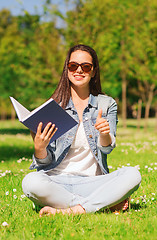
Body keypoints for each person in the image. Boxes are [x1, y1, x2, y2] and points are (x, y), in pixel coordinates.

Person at [22, 44, 141, 216]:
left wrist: (104, 133)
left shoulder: (106, 104)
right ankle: (101, 203)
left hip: (93, 182)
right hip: (56, 181)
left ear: (93, 72)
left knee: (133, 174)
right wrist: (39, 148)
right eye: (73, 65)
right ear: (67, 69)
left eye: (86, 66)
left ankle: (72, 210)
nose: (79, 70)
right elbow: (44, 163)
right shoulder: (53, 107)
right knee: (31, 182)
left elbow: (106, 148)